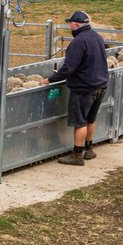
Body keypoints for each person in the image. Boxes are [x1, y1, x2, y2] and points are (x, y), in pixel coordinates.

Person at [47, 11, 109, 166]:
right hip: (101, 85)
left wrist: (50, 79)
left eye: (70, 23)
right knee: (90, 119)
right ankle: (89, 150)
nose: (70, 26)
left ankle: (77, 155)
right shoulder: (98, 37)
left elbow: (68, 68)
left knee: (80, 121)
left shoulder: (78, 42)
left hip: (84, 88)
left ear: (75, 24)